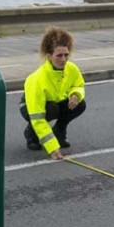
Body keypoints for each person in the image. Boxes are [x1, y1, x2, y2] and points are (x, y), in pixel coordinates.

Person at [21, 26, 87, 160]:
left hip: (56, 101)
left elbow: (78, 85)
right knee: (51, 109)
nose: (63, 59)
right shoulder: (36, 79)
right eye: (59, 55)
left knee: (81, 104)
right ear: (49, 56)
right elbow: (38, 117)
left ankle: (59, 131)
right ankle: (30, 133)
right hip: (31, 108)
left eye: (66, 55)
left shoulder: (72, 69)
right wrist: (52, 147)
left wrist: (75, 94)